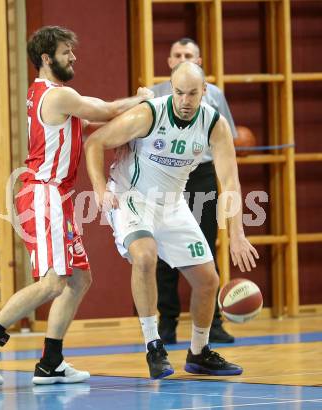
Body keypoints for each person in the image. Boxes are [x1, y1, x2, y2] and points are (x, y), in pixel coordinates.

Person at [0, 26, 153, 385]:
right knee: (52, 282)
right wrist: (144, 100)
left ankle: (51, 362)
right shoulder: (57, 95)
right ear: (46, 59)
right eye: (66, 52)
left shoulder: (53, 96)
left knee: (79, 279)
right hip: (43, 194)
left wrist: (132, 109)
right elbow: (107, 108)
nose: (73, 57)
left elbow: (97, 117)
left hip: (57, 198)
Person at [85, 61, 258, 379]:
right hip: (131, 196)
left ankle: (199, 353)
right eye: (179, 92)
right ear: (171, 89)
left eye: (193, 93)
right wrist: (98, 189)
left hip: (172, 203)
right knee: (145, 255)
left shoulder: (213, 125)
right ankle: (154, 346)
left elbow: (230, 182)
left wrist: (237, 234)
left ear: (205, 92)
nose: (185, 100)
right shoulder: (150, 114)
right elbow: (94, 142)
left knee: (208, 281)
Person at [152, 38, 238, 344]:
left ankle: (212, 322)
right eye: (176, 54)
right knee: (164, 253)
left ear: (199, 62)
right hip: (166, 175)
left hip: (201, 174)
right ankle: (167, 322)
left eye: (188, 55)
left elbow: (229, 139)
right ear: (168, 61)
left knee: (204, 248)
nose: (181, 58)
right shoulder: (156, 95)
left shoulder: (214, 96)